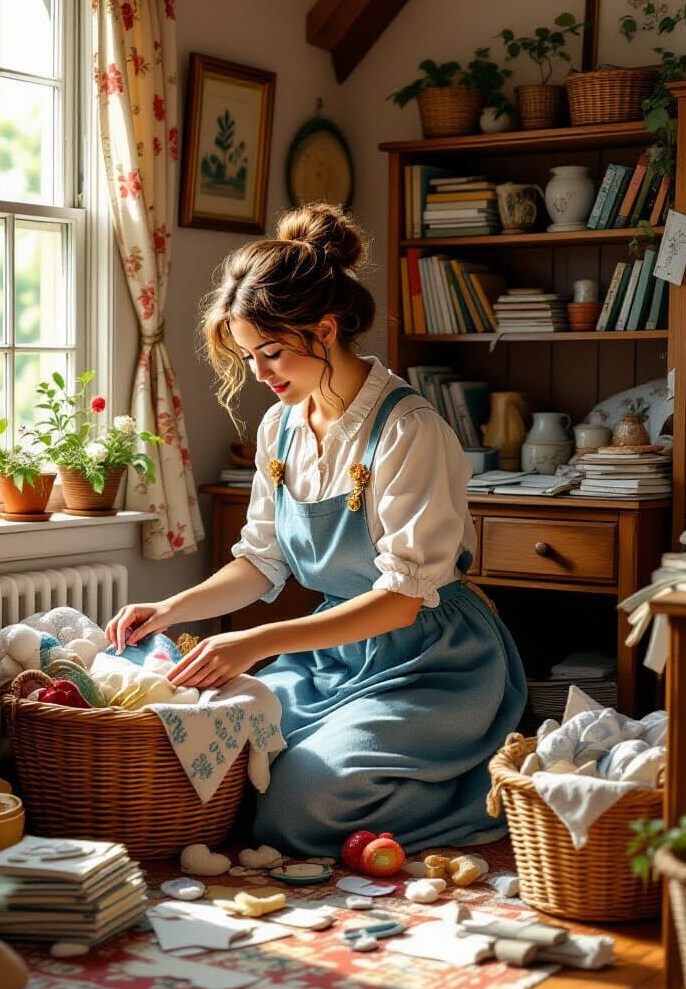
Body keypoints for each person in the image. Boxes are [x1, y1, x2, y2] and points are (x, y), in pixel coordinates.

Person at [105, 203, 527, 855]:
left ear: (325, 330)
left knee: (296, 809)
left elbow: (403, 599)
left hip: (433, 667)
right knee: (218, 762)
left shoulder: (409, 431)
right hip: (333, 658)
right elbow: (260, 562)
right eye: (249, 356)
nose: (260, 374)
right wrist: (169, 609)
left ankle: (482, 788)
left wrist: (254, 643)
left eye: (271, 352)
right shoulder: (281, 429)